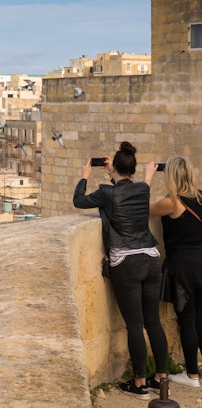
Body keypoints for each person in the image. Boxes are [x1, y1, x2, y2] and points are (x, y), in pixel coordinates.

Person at [73, 141, 168, 399]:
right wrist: (114, 173)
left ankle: (139, 384)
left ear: (113, 167)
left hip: (126, 263)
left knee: (135, 325)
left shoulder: (106, 191)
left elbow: (79, 201)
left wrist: (85, 176)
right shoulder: (142, 189)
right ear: (133, 169)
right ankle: (162, 377)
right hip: (150, 257)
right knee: (154, 321)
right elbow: (129, 191)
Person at [149, 155, 202, 388]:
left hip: (183, 268)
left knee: (187, 321)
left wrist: (147, 179)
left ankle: (191, 375)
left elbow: (143, 208)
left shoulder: (172, 202)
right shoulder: (201, 196)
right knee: (201, 319)